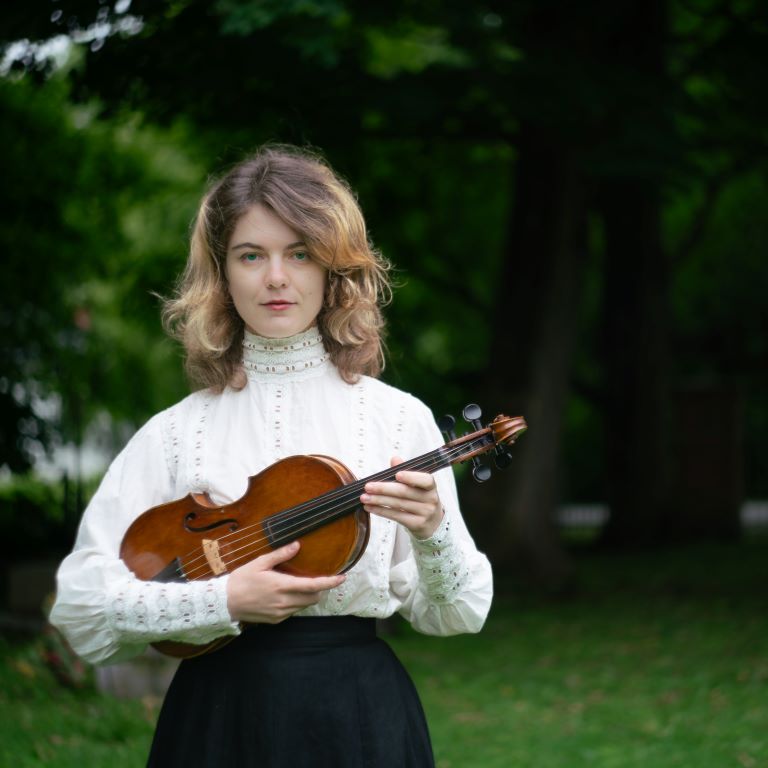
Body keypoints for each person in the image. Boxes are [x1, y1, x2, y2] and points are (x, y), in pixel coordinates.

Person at [49, 144, 493, 767]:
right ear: (224, 275)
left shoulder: (399, 418)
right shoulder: (176, 432)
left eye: (300, 253)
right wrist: (220, 602)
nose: (276, 277)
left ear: (333, 269)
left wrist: (435, 531)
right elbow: (80, 607)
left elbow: (457, 614)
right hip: (217, 716)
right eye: (251, 255)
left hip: (359, 715)